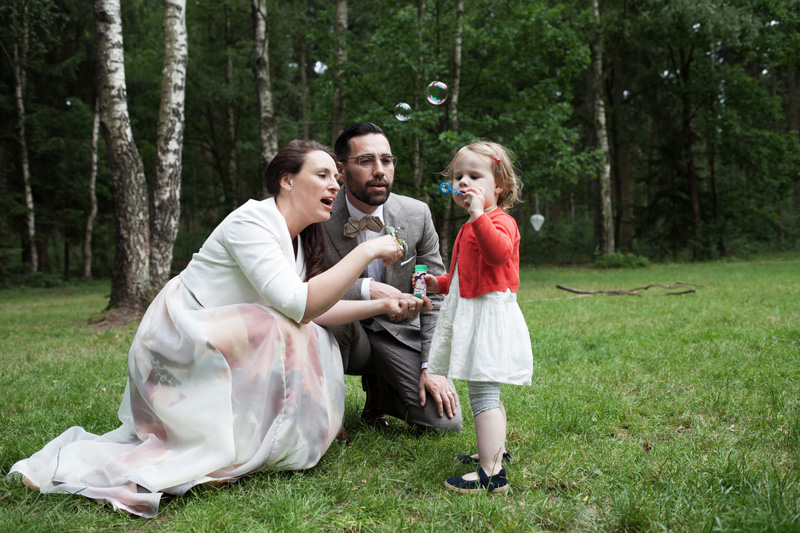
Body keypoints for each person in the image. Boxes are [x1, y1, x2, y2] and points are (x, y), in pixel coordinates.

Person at [8, 140, 417, 517]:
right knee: (282, 326)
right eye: (323, 174)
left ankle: (272, 440)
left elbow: (312, 311)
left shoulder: (297, 238)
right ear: (287, 180)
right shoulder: (252, 221)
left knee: (304, 331)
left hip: (221, 336)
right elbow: (300, 305)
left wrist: (380, 304)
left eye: (336, 176)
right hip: (179, 337)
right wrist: (366, 251)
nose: (335, 184)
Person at [321, 122, 462, 433]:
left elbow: (436, 296)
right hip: (342, 331)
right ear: (341, 171)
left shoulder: (417, 214)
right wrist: (368, 290)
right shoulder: (319, 215)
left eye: (386, 160)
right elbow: (306, 285)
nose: (380, 170)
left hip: (397, 333)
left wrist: (431, 366)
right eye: (366, 161)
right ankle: (326, 414)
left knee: (444, 424)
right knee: (335, 320)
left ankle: (382, 392)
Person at [424, 141, 533, 494]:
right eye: (458, 177)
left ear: (497, 185)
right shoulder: (469, 227)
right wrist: (436, 283)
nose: (463, 183)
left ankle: (491, 474)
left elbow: (498, 254)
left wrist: (478, 216)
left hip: (488, 321)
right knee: (486, 391)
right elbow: (460, 275)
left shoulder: (501, 222)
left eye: (474, 176)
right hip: (474, 315)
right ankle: (493, 450)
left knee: (483, 394)